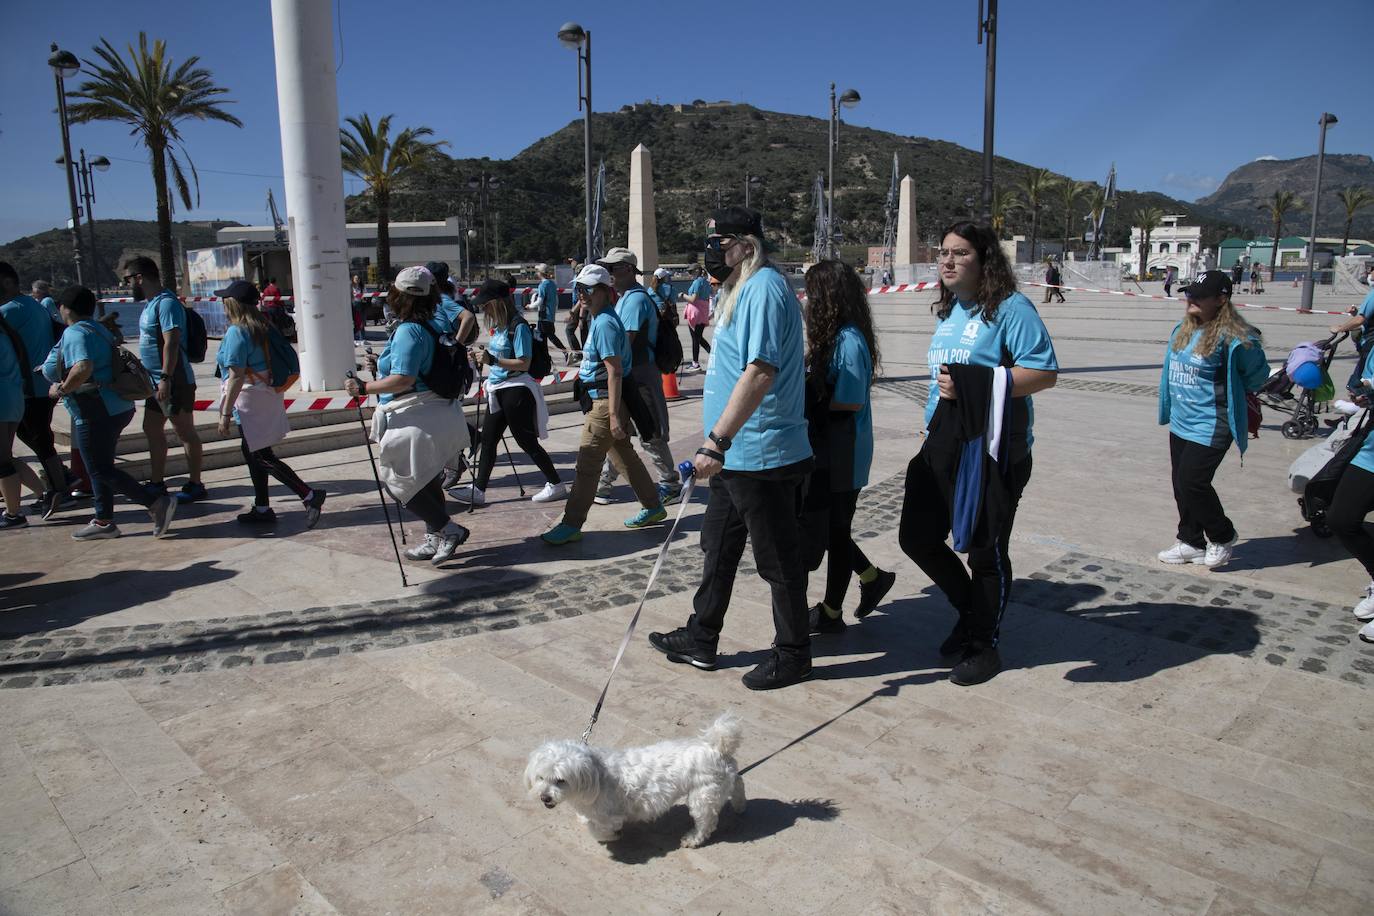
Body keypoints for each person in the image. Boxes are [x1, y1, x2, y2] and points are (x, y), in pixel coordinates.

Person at [647, 206, 816, 691]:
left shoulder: (762, 287)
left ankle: (794, 653)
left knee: (778, 560)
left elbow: (761, 370)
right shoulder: (734, 289)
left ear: (746, 243)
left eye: (719, 242)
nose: (712, 252)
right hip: (731, 456)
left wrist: (717, 441)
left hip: (761, 451)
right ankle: (702, 637)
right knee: (717, 547)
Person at [899, 222, 1059, 687]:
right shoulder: (951, 310)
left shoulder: (1011, 309)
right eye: (943, 253)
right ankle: (972, 609)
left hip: (993, 450)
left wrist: (980, 381)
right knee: (917, 536)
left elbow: (1044, 372)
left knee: (987, 549)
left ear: (984, 259)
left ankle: (983, 643)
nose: (946, 261)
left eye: (959, 253)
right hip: (942, 442)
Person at [344, 266, 470, 564]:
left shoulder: (407, 331)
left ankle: (446, 529)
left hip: (415, 418)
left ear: (397, 295)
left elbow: (403, 379)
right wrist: (382, 361)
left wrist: (362, 386)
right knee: (426, 481)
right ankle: (434, 536)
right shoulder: (435, 323)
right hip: (440, 413)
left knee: (396, 482)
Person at [799, 260, 897, 634]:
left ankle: (832, 611)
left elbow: (850, 400)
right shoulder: (832, 337)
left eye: (813, 291)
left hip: (845, 452)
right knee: (830, 530)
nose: (808, 299)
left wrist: (811, 401)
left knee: (835, 531)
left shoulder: (850, 340)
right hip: (828, 449)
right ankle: (871, 578)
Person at [541, 265, 666, 545]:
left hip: (603, 403)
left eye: (585, 289)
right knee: (625, 457)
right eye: (578, 289)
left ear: (602, 292)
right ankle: (653, 505)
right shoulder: (601, 319)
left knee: (587, 466)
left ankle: (571, 523)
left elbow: (615, 371)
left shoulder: (606, 323)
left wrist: (612, 415)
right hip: (604, 401)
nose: (580, 294)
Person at [42, 285, 175, 539]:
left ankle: (155, 503)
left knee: (101, 469)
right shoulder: (98, 328)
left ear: (65, 308)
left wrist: (60, 389)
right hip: (115, 407)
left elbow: (82, 367)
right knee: (100, 467)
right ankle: (104, 521)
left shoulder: (75, 333)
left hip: (95, 410)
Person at [1156, 270, 1268, 570]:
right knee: (1181, 484)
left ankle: (1223, 534)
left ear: (1221, 299)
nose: (1189, 298)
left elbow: (1257, 375)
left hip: (1212, 422)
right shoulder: (1184, 327)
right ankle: (1191, 541)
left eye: (1198, 295)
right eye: (1188, 293)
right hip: (1182, 420)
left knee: (1193, 481)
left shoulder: (1235, 338)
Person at [214, 280, 327, 528]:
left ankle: (309, 495)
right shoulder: (262, 325)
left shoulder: (237, 331)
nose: (222, 303)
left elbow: (235, 376)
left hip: (248, 402)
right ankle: (263, 507)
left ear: (233, 303)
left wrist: (224, 414)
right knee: (253, 453)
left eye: (225, 299)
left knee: (261, 456)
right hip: (265, 396)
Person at [450, 279, 566, 506]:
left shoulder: (518, 326)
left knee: (526, 441)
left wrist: (491, 359)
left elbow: (524, 362)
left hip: (516, 390)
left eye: (486, 304)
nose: (483, 308)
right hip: (498, 388)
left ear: (498, 303)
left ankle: (556, 484)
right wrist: (484, 358)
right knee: (489, 440)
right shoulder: (501, 327)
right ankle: (479, 489)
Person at [593, 248, 681, 506]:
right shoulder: (625, 298)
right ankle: (603, 485)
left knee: (649, 431)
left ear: (629, 270)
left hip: (639, 375)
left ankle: (669, 483)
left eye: (613, 268)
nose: (608, 273)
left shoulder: (633, 300)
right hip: (633, 374)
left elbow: (625, 343)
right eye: (607, 268)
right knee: (618, 431)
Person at [128, 257, 207, 502]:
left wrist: (166, 377)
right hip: (154, 381)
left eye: (128, 279)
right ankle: (156, 482)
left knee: (184, 432)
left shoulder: (167, 304)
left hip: (174, 380)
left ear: (139, 278)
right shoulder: (151, 304)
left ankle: (195, 484)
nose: (128, 284)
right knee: (151, 428)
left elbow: (171, 342)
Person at [0, 262, 71, 516]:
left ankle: (58, 489)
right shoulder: (32, 305)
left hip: (29, 386)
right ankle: (54, 486)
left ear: (7, 282)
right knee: (33, 437)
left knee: (38, 440)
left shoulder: (9, 310)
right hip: (37, 384)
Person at [1, 312, 47, 528]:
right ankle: (43, 495)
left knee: (1, 462)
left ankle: (13, 514)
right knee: (5, 457)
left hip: (2, 400)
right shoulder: (6, 333)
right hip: (12, 398)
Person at [1331, 274, 1374, 395]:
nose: (1370, 274)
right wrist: (1356, 312)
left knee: (1358, 386)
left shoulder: (1373, 295)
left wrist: (1340, 328)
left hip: (1370, 345)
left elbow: (1360, 320)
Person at [532, 263, 568, 354]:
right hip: (550, 315)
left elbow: (540, 301)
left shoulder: (542, 285)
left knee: (547, 337)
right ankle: (545, 356)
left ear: (540, 273)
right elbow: (556, 300)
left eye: (537, 271)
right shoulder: (552, 283)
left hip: (544, 315)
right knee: (546, 336)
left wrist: (530, 306)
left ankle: (565, 352)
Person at [683, 266, 713, 370]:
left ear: (697, 270)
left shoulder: (697, 282)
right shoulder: (706, 282)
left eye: (691, 271)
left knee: (695, 338)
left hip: (695, 312)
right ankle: (712, 353)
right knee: (698, 337)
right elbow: (710, 295)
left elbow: (693, 299)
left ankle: (695, 363)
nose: (689, 274)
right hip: (703, 311)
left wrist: (683, 295)